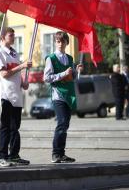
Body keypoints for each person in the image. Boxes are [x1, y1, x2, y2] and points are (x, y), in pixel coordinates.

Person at [43, 31, 82, 163]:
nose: (60, 44)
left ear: (66, 43)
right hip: (58, 95)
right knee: (61, 123)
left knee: (65, 124)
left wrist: (77, 72)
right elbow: (46, 78)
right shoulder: (51, 58)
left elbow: (71, 77)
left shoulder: (70, 58)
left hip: (69, 94)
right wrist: (63, 73)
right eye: (58, 41)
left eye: (62, 41)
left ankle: (61, 153)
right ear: (55, 42)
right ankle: (55, 153)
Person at [0, 27, 32, 167]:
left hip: (17, 95)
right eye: (11, 35)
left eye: (14, 35)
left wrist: (24, 82)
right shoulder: (0, 53)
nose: (13, 37)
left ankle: (14, 155)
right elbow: (3, 74)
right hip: (7, 95)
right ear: (3, 37)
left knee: (15, 127)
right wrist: (21, 66)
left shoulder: (14, 53)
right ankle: (2, 156)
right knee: (6, 126)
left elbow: (17, 73)